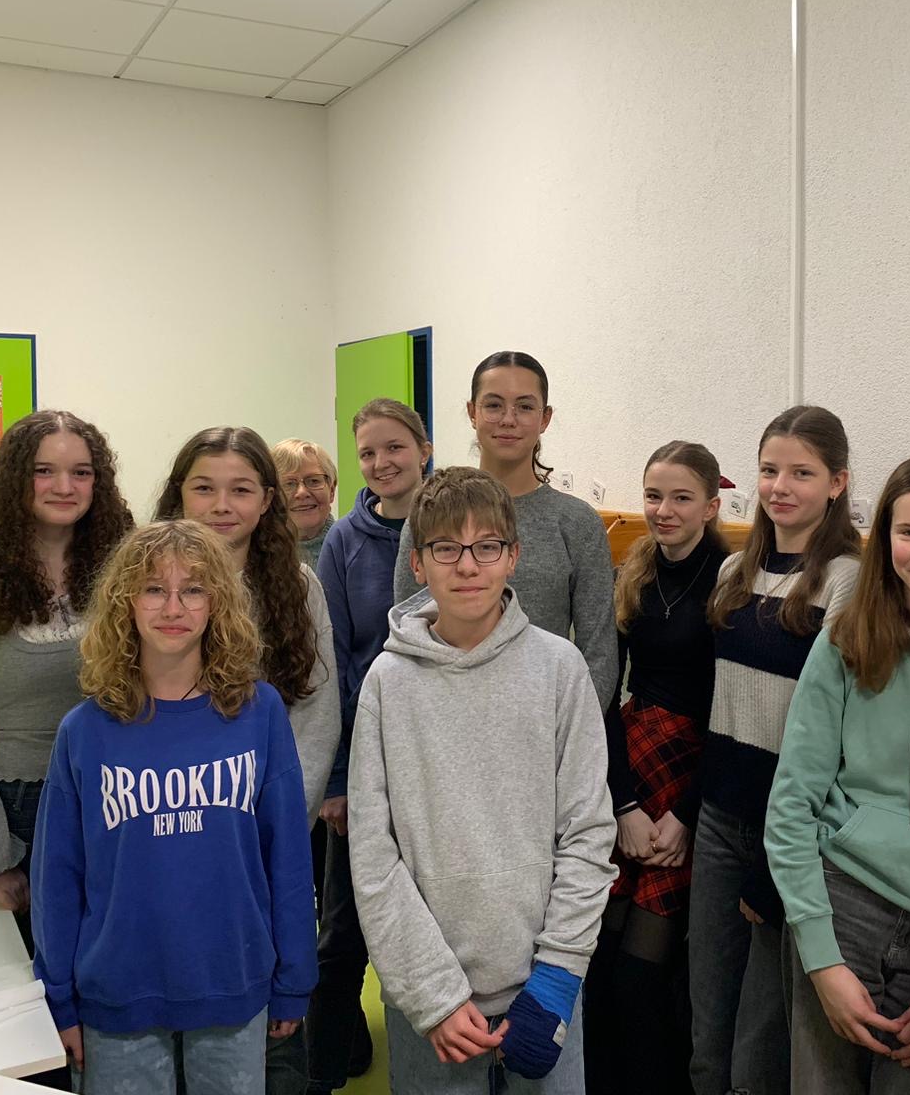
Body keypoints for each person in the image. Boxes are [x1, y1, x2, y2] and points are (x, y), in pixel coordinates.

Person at [350, 466, 616, 1093]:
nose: (468, 565)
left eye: (487, 546)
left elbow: (587, 832)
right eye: (446, 548)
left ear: (513, 556)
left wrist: (557, 975)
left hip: (543, 988)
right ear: (418, 563)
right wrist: (433, 994)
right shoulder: (387, 684)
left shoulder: (560, 669)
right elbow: (373, 856)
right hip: (428, 1002)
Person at [31, 519, 317, 1095]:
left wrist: (295, 976)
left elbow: (287, 857)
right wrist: (56, 996)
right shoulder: (85, 731)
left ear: (219, 603)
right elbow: (57, 878)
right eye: (154, 589)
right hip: (117, 991)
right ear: (125, 603)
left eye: (193, 589)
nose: (173, 607)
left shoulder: (258, 713)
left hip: (232, 979)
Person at [764, 453, 910, 1093]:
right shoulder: (845, 640)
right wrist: (821, 959)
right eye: (909, 532)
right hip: (843, 905)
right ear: (885, 538)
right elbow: (791, 805)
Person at [687, 405, 862, 1095]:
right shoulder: (735, 570)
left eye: (801, 473)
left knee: (760, 1039)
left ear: (837, 482)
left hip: (786, 831)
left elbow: (837, 729)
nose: (780, 486)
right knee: (707, 1015)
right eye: (768, 470)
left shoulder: (847, 578)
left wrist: (775, 863)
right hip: (718, 817)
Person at [0, 410, 133, 952]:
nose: (65, 487)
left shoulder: (127, 570)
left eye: (82, 472)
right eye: (44, 471)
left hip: (123, 793)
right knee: (45, 971)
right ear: (15, 479)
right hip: (27, 808)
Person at [585, 441, 729, 1095]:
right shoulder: (635, 571)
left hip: (692, 775)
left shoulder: (731, 579)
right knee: (600, 966)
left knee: (644, 978)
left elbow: (733, 713)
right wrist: (623, 805)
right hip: (633, 766)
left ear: (711, 506)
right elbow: (606, 693)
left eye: (681, 498)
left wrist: (686, 816)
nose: (663, 510)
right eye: (653, 496)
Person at [306, 398, 433, 1092]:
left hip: (433, 765)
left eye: (395, 448)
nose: (382, 463)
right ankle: (322, 1076)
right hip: (362, 763)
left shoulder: (448, 528)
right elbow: (327, 666)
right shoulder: (343, 542)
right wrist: (336, 779)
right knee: (343, 936)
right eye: (368, 453)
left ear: (424, 449)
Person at [394, 351, 616, 709]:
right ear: (472, 412)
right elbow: (409, 630)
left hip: (546, 717)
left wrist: (569, 727)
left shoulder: (577, 523)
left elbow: (599, 651)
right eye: (494, 405)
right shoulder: (430, 514)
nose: (509, 420)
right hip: (444, 714)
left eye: (525, 407)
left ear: (545, 418)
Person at [156, 427, 339, 825]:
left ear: (266, 500)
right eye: (204, 489)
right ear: (179, 493)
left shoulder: (299, 586)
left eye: (240, 490)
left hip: (267, 812)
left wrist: (284, 816)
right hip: (165, 810)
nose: (221, 506)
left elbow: (316, 717)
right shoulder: (146, 587)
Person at [273, 438, 339, 571]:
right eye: (289, 484)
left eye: (314, 481)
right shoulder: (257, 554)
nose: (302, 493)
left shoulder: (352, 547)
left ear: (331, 491)